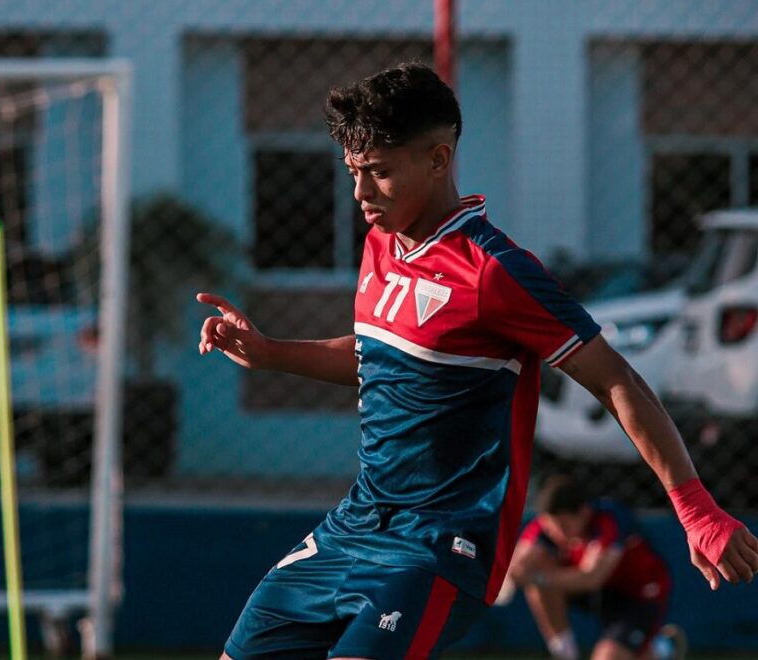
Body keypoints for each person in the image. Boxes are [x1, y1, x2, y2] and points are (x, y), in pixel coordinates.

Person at [196, 61, 758, 660]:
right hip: (355, 525)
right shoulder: (381, 244)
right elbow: (378, 360)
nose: (360, 194)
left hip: (439, 547)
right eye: (354, 172)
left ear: (438, 160)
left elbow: (616, 379)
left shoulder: (495, 272)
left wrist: (694, 507)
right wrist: (270, 352)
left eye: (380, 173)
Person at [503, 474, 686, 660]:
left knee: (609, 657)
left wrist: (536, 577)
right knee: (539, 574)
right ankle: (565, 654)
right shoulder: (547, 527)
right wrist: (518, 571)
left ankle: (663, 648)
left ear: (583, 512)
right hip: (598, 592)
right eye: (550, 528)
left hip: (636, 597)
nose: (556, 534)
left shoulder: (610, 520)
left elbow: (592, 577)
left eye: (563, 526)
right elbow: (519, 561)